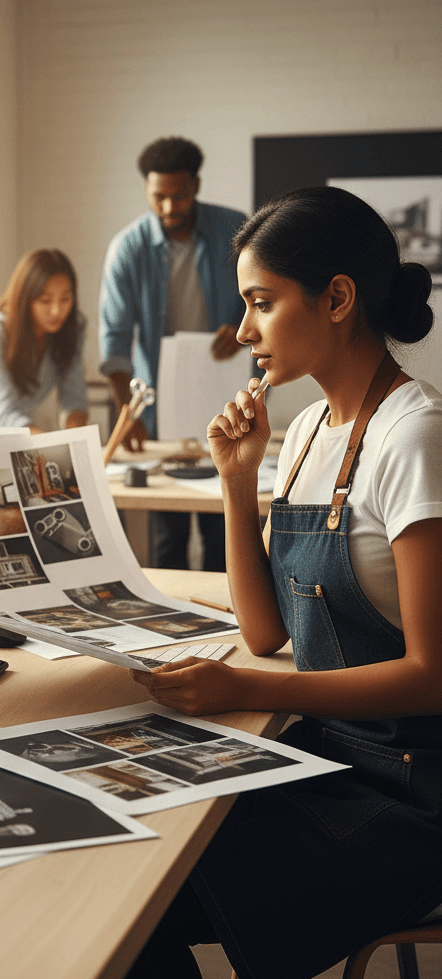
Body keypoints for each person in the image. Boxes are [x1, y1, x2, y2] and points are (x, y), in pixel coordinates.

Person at [126, 186, 442, 979]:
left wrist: (239, 688)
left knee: (149, 893)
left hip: (407, 797)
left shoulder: (415, 439)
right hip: (326, 758)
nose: (241, 332)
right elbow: (269, 634)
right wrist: (237, 483)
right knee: (141, 851)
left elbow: (432, 679)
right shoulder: (302, 432)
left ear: (337, 298)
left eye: (260, 303)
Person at [99, 137, 247, 571]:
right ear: (147, 189)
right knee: (170, 535)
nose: (168, 207)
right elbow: (115, 338)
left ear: (196, 185)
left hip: (229, 394)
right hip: (161, 405)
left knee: (226, 530)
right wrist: (128, 411)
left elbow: (266, 298)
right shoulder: (128, 248)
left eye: (178, 195)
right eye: (158, 196)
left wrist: (240, 328)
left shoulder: (235, 230)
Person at [0, 248, 88, 433]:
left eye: (65, 299)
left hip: (12, 432)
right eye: (45, 301)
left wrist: (76, 439)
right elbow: (5, 411)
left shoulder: (72, 328)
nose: (57, 311)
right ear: (25, 298)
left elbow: (73, 397)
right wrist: (47, 445)